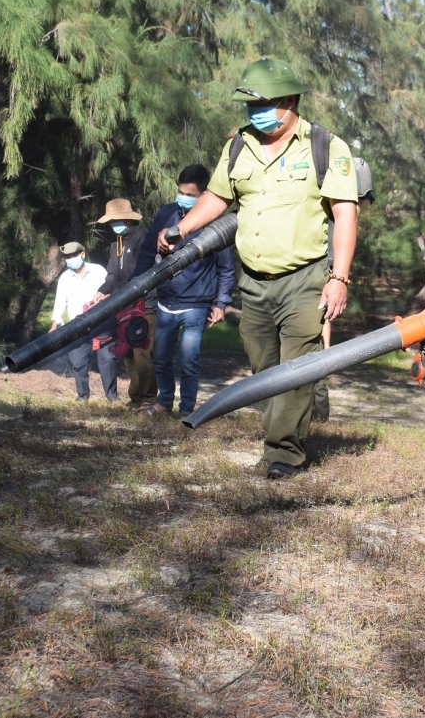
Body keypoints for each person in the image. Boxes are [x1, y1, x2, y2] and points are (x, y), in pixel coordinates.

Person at [159, 57, 359, 479]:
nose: (255, 114)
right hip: (254, 280)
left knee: (299, 368)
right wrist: (182, 228)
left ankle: (283, 453)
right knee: (263, 369)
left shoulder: (325, 145)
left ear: (289, 101)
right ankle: (282, 428)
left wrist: (339, 278)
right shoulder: (239, 145)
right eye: (249, 107)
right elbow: (217, 198)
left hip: (305, 277)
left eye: (262, 105)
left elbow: (345, 214)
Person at [133, 164, 236, 419]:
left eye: (190, 194)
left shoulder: (214, 224)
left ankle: (187, 409)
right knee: (161, 358)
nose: (184, 197)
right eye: (181, 192)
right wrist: (137, 286)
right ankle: (164, 401)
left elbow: (226, 268)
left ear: (204, 196)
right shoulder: (166, 214)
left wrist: (221, 303)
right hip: (166, 302)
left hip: (196, 306)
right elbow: (147, 252)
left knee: (189, 360)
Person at [94, 198, 158, 407]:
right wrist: (103, 291)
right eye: (111, 221)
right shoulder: (115, 243)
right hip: (123, 307)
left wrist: (117, 295)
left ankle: (149, 399)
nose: (114, 225)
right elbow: (112, 274)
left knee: (143, 354)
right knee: (128, 354)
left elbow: (140, 275)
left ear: (127, 219)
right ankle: (136, 399)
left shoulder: (143, 239)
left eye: (116, 220)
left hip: (144, 305)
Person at [49, 242, 110, 401]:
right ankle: (83, 396)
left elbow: (111, 291)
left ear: (82, 254)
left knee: (107, 360)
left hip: (101, 323)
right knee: (78, 362)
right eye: (67, 257)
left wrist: (104, 297)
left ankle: (112, 398)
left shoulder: (98, 271)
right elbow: (60, 302)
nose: (70, 260)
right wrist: (55, 324)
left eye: (73, 256)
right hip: (76, 326)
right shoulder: (65, 277)